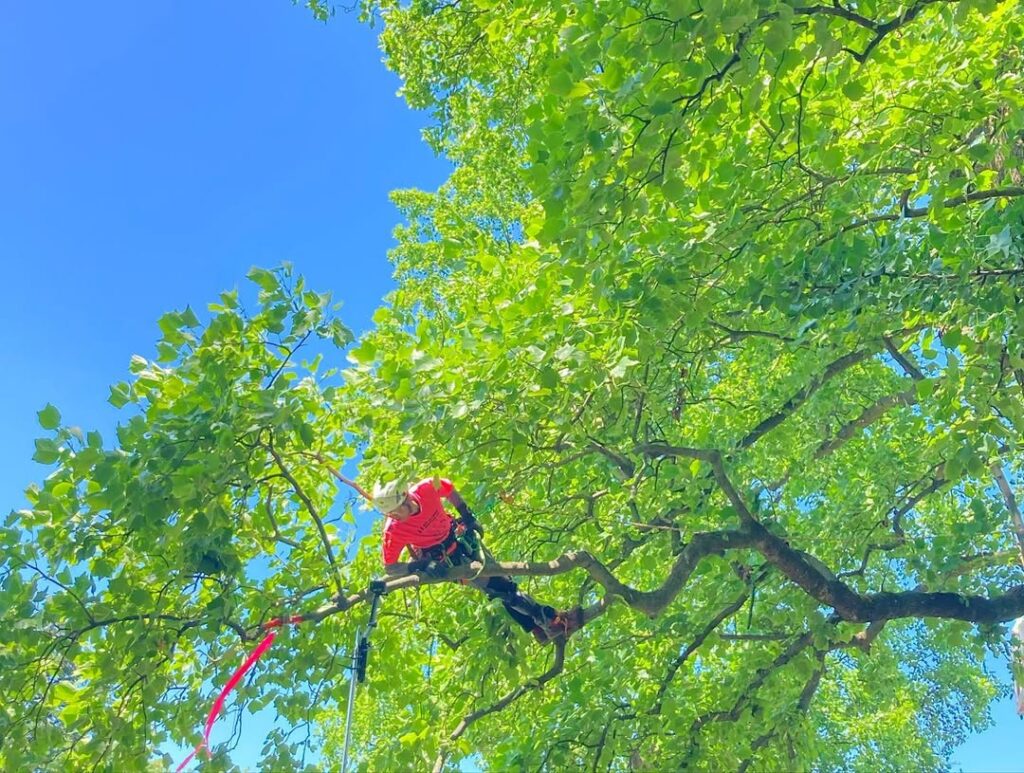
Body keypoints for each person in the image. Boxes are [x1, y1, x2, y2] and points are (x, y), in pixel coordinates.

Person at [372, 477, 582, 645]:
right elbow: (391, 568)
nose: (394, 517)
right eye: (390, 513)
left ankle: (540, 629)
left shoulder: (427, 487)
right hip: (445, 561)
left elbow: (449, 488)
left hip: (460, 537)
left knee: (503, 582)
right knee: (499, 586)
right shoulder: (393, 530)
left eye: (395, 511)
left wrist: (468, 516)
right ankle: (549, 620)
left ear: (406, 498)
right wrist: (420, 565)